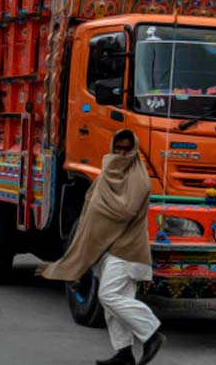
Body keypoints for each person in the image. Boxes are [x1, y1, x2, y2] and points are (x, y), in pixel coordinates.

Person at [38, 130, 164, 365]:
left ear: (134, 151)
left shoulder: (138, 177)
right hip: (109, 249)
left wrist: (101, 207)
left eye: (127, 149)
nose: (122, 153)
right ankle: (124, 353)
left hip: (128, 249)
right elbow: (90, 211)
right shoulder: (108, 173)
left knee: (108, 295)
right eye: (118, 148)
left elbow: (124, 211)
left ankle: (151, 333)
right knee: (114, 305)